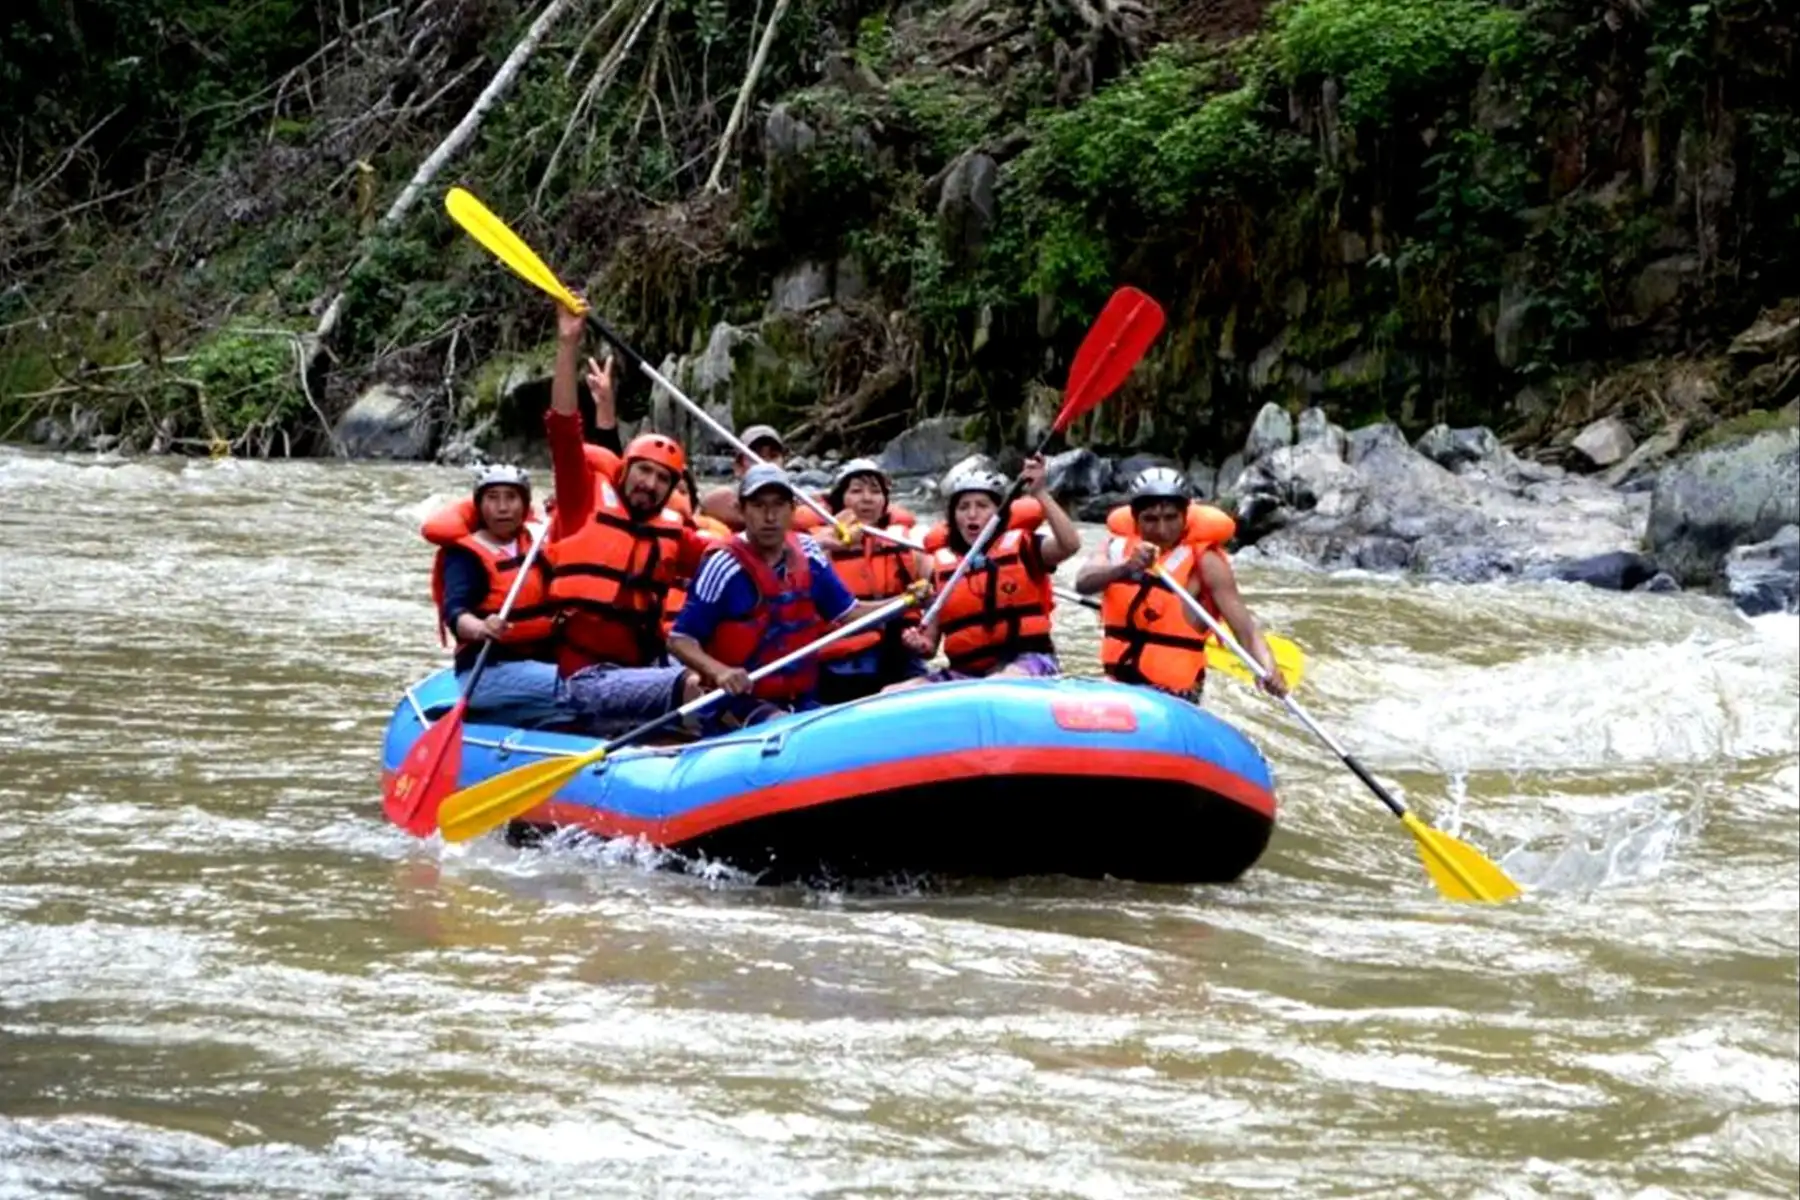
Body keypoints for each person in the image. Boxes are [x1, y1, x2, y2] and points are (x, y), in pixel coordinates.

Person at [543, 303, 713, 732]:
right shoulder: (583, 502)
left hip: (645, 664)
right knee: (703, 682)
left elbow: (735, 557)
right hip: (585, 679)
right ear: (624, 470)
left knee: (719, 664)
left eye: (662, 479)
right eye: (644, 471)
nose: (650, 484)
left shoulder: (674, 534)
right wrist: (567, 343)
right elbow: (564, 429)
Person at [668, 463, 921, 728]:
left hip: (801, 697)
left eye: (778, 505)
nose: (769, 517)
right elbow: (679, 640)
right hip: (738, 701)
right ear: (742, 510)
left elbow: (850, 614)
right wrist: (719, 672)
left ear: (791, 510)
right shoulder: (722, 565)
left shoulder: (809, 554)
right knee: (785, 726)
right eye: (758, 505)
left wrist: (907, 601)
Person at [1073, 466, 1286, 702]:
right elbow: (1082, 583)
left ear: (1185, 515)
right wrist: (1124, 568)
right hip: (1118, 687)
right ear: (1135, 518)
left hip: (1176, 697)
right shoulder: (1115, 550)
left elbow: (1246, 630)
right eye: (1150, 519)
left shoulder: (1206, 562)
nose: (1162, 529)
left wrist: (1268, 667)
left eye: (1171, 518)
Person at [891, 456, 1083, 686]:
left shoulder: (1025, 547)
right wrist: (919, 645)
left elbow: (1070, 545)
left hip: (1029, 662)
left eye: (982, 506)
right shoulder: (940, 568)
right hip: (968, 673)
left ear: (999, 514)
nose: (972, 514)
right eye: (963, 507)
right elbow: (930, 647)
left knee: (1000, 681)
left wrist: (1040, 493)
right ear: (954, 517)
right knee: (892, 691)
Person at [425, 465, 572, 727]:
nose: (503, 508)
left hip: (542, 659)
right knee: (584, 687)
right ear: (480, 505)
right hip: (487, 670)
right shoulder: (466, 555)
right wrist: (482, 628)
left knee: (601, 676)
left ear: (525, 504)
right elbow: (456, 613)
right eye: (493, 498)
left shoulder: (539, 540)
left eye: (511, 497)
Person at [808, 458, 931, 701]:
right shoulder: (817, 545)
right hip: (840, 663)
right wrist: (823, 543)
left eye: (875, 491)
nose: (867, 498)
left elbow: (942, 586)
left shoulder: (905, 545)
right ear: (839, 499)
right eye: (856, 491)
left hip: (895, 656)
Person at [699, 423, 788, 531]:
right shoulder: (720, 500)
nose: (765, 463)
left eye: (773, 456)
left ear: (784, 464)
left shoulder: (800, 496)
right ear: (738, 467)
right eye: (755, 456)